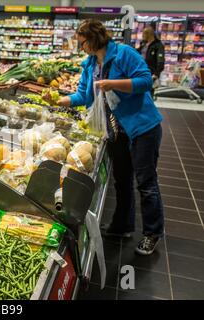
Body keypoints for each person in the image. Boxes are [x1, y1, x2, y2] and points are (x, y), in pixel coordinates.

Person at [57, 19, 164, 256]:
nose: (81, 48)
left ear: (94, 39)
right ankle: (122, 226)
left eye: (82, 43)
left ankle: (152, 233)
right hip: (116, 131)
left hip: (142, 127)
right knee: (122, 179)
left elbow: (146, 81)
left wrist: (112, 84)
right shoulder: (89, 65)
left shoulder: (124, 54)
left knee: (146, 182)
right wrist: (59, 100)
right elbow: (84, 96)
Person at [137, 26, 165, 96]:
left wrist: (156, 74)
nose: (142, 35)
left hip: (150, 73)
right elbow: (137, 52)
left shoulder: (158, 45)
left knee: (148, 94)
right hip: (140, 71)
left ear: (149, 34)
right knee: (140, 93)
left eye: (144, 34)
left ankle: (148, 106)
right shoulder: (143, 43)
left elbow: (160, 61)